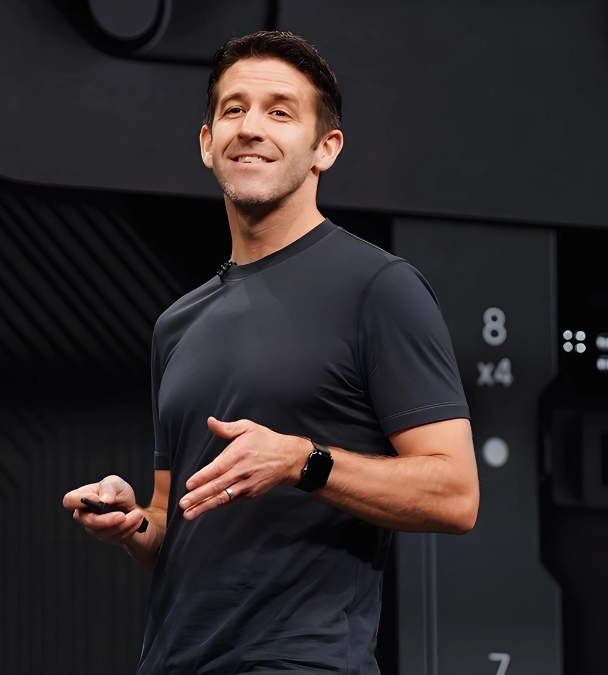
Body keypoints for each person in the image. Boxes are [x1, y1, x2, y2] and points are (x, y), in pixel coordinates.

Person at [62, 30, 480, 674]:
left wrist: (303, 462)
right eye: (234, 109)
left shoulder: (378, 287)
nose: (251, 127)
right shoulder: (178, 324)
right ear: (207, 143)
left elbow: (455, 494)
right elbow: (179, 525)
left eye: (280, 111)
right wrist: (135, 523)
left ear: (324, 149)